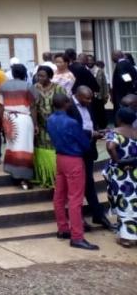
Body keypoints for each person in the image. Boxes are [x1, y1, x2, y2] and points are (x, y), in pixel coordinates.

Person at [47, 91, 99, 250]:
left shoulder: (50, 119)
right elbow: (84, 144)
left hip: (60, 157)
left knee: (59, 195)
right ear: (66, 104)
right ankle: (77, 236)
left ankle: (63, 228)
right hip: (73, 159)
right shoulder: (71, 122)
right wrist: (92, 137)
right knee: (75, 199)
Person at [67, 85, 114, 230]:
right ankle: (80, 218)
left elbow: (89, 122)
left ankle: (98, 215)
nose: (89, 101)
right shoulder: (69, 107)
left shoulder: (88, 104)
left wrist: (97, 132)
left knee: (89, 182)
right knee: (79, 185)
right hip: (75, 151)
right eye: (86, 99)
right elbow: (70, 129)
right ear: (78, 96)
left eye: (90, 98)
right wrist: (90, 134)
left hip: (88, 148)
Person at [0, 64, 37, 189]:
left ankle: (13, 173)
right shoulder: (28, 86)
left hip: (8, 119)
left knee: (12, 146)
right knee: (25, 148)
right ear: (24, 73)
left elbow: (1, 106)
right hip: (23, 119)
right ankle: (23, 178)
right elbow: (33, 106)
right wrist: (35, 124)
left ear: (12, 73)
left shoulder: (3, 86)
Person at [102, 106, 137, 247]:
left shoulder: (115, 132)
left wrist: (118, 161)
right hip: (134, 172)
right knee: (134, 202)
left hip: (120, 174)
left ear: (119, 119)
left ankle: (127, 237)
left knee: (124, 203)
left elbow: (110, 147)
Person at [29, 65, 63, 188]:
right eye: (38, 75)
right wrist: (35, 124)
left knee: (53, 150)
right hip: (40, 125)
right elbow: (32, 107)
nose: (40, 78)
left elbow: (64, 105)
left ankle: (55, 177)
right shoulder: (34, 88)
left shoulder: (58, 88)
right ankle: (43, 176)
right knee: (41, 150)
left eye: (43, 76)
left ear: (49, 76)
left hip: (55, 125)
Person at [85, 54, 109, 129]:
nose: (89, 62)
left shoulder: (99, 70)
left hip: (98, 95)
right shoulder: (84, 70)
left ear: (94, 61)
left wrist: (105, 95)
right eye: (88, 60)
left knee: (100, 113)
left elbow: (104, 83)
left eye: (91, 60)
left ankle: (102, 127)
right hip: (87, 96)